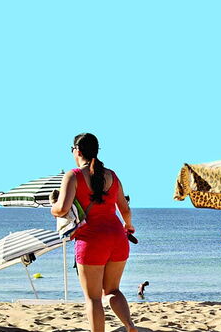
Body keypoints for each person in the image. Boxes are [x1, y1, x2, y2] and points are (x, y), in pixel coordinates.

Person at [51, 133, 137, 332]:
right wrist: (128, 226)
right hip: (117, 237)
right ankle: (129, 325)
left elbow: (63, 209)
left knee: (93, 298)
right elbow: (124, 209)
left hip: (92, 241)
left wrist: (52, 206)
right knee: (113, 290)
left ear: (77, 151)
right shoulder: (112, 176)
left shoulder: (73, 176)